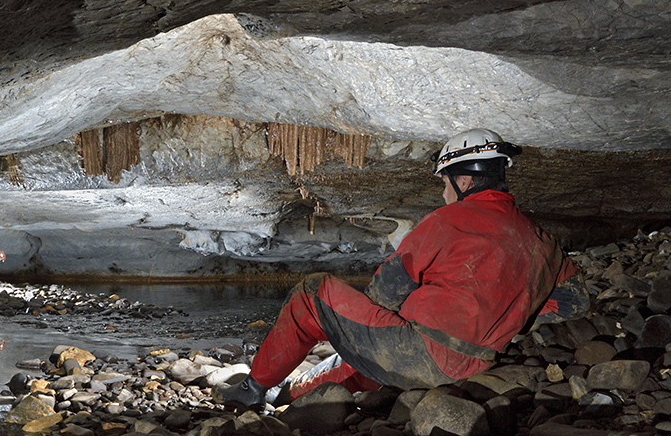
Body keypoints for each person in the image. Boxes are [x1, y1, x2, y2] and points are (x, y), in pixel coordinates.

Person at [219, 128, 590, 410]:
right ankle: (297, 393)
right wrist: (508, 312)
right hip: (477, 365)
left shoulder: (448, 221)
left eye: (445, 184)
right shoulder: (540, 238)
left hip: (422, 357)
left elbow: (385, 292)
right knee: (356, 356)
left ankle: (253, 390)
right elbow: (574, 303)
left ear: (463, 181)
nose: (445, 193)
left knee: (312, 292)